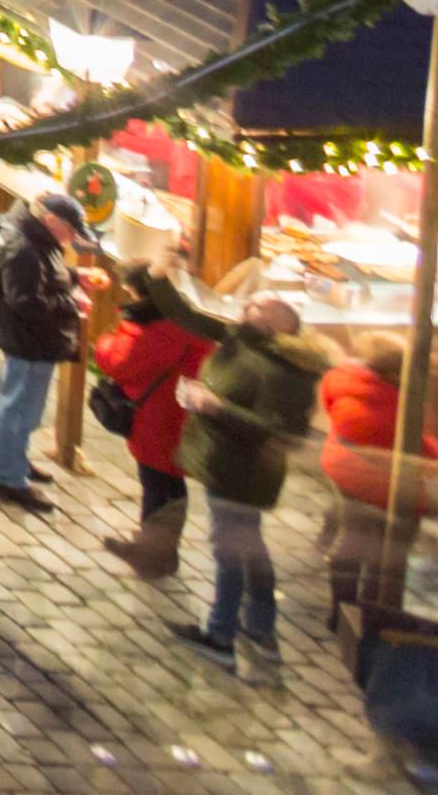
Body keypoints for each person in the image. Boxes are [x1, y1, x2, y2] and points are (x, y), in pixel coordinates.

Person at [179, 289, 324, 664]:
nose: (243, 308)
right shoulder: (249, 344)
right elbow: (189, 317)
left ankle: (221, 635)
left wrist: (217, 407)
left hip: (242, 472)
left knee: (230, 550)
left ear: (280, 324)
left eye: (254, 306)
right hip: (230, 465)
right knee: (250, 547)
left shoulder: (287, 372)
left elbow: (276, 429)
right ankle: (260, 628)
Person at [99, 274, 220, 576]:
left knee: (158, 486)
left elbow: (119, 363)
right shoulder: (195, 327)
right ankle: (157, 549)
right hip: (179, 418)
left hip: (157, 419)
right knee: (168, 483)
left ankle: (153, 556)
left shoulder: (160, 331)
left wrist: (107, 338)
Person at [0, 190, 85, 511]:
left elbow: (43, 277)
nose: (70, 239)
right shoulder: (22, 246)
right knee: (20, 409)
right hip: (28, 341)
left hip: (31, 342)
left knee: (22, 408)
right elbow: (26, 300)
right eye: (69, 231)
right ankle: (9, 477)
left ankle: (13, 457)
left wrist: (75, 277)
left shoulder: (34, 237)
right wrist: (72, 303)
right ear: (51, 220)